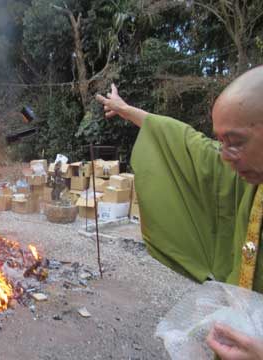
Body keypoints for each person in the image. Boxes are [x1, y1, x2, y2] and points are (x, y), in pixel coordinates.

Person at [96, 65, 263, 360]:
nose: (225, 157)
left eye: (235, 143)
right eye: (221, 142)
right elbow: (187, 143)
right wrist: (125, 110)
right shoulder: (249, 180)